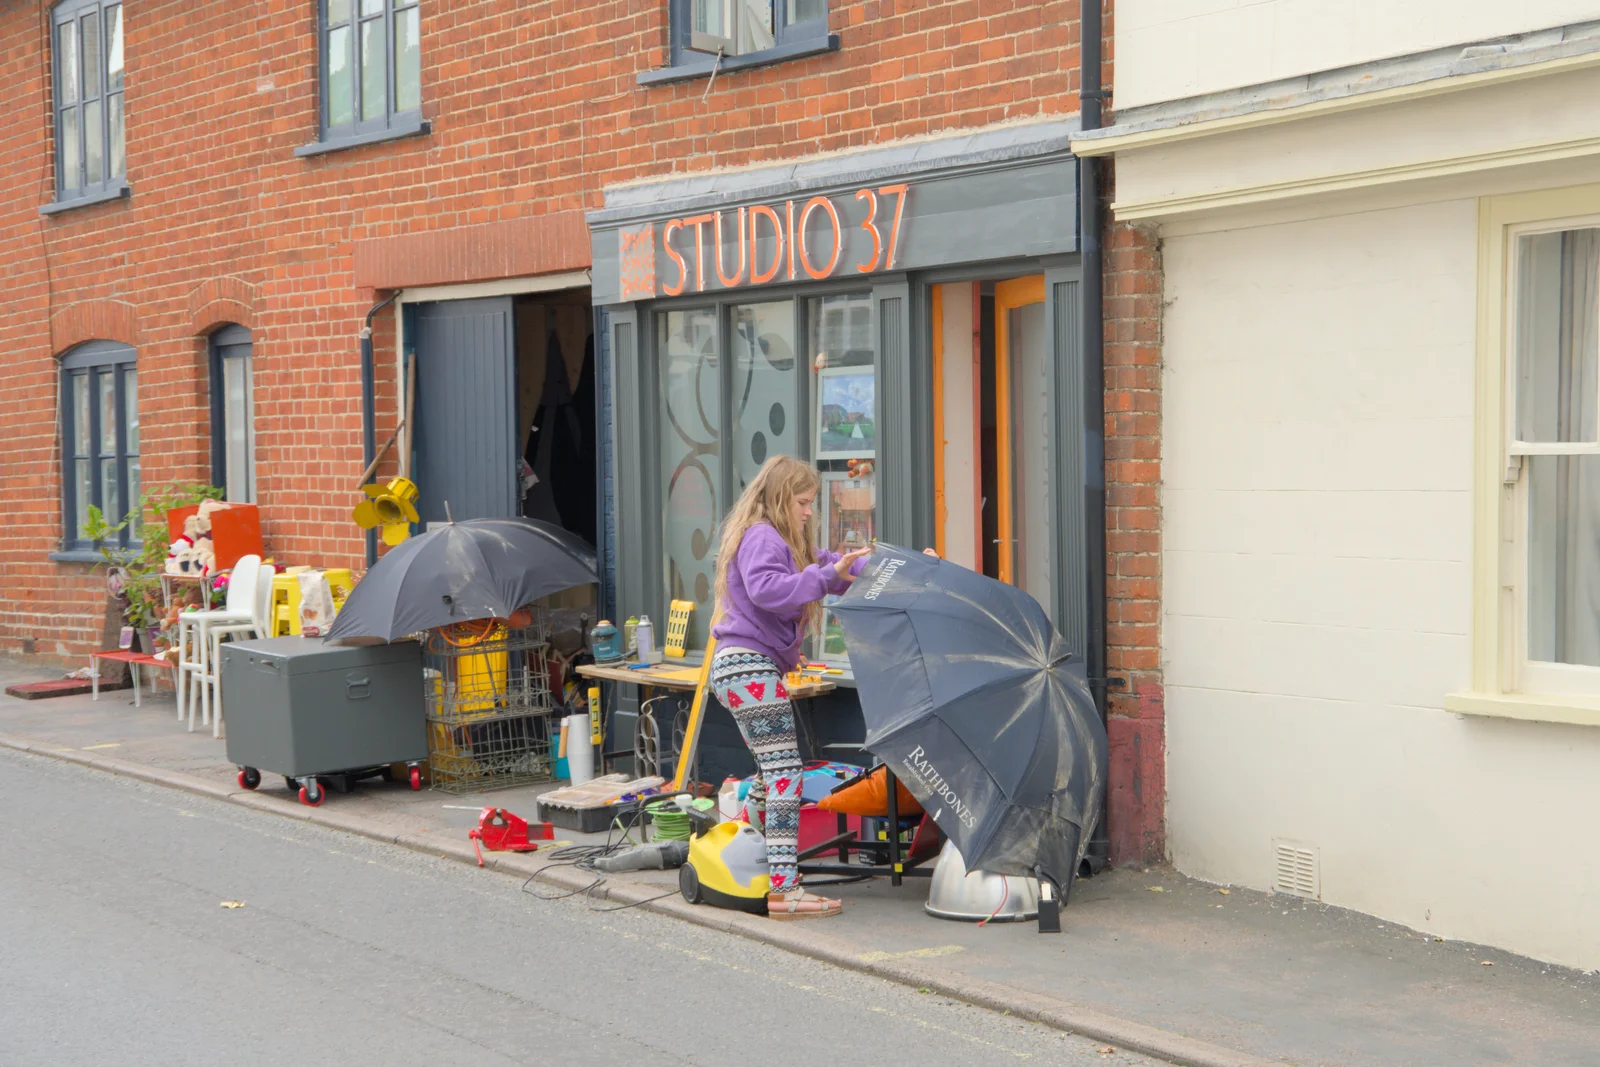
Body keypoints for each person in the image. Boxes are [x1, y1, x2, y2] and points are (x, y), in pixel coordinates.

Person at [709, 455, 936, 919]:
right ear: (778, 498)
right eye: (802, 502)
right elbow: (768, 590)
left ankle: (739, 846)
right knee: (785, 771)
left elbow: (839, 567)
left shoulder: (785, 543)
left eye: (810, 502)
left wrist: (907, 567)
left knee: (773, 771)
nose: (809, 512)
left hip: (748, 669)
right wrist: (826, 576)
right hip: (747, 667)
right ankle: (784, 888)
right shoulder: (761, 536)